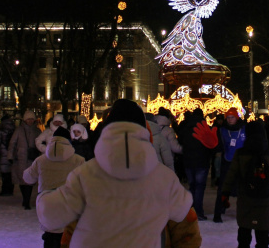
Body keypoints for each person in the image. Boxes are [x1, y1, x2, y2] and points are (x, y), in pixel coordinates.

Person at [39, 99, 192, 247]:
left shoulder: (85, 174)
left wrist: (43, 198)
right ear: (144, 131)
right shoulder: (163, 176)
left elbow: (51, 215)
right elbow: (183, 213)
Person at [221, 121, 269, 248]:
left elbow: (232, 174)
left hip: (246, 197)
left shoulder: (241, 153)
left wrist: (225, 192)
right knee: (263, 235)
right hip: (264, 199)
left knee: (244, 232)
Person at [24, 126, 85, 248]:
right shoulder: (78, 160)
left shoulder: (41, 160)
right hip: (69, 205)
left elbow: (27, 178)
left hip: (46, 205)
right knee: (66, 238)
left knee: (50, 237)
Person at [177, 108, 217, 220]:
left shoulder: (186, 128)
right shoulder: (205, 128)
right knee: (199, 187)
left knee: (192, 186)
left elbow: (180, 141)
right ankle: (198, 211)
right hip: (202, 161)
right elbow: (211, 145)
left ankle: (191, 210)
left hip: (188, 160)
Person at [213, 108, 246, 223]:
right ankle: (218, 212)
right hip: (227, 161)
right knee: (223, 187)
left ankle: (242, 212)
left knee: (241, 189)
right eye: (228, 117)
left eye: (232, 117)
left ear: (237, 118)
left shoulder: (244, 129)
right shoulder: (222, 130)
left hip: (241, 162)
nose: (230, 120)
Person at [8, 110, 42, 209]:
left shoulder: (37, 131)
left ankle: (26, 201)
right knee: (22, 180)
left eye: (32, 119)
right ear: (25, 120)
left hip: (32, 158)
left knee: (30, 180)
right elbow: (12, 144)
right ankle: (25, 198)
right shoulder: (19, 130)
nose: (30, 121)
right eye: (28, 119)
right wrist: (10, 155)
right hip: (20, 158)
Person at [0, 114, 16, 196]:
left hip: (3, 154)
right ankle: (10, 190)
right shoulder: (14, 129)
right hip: (12, 154)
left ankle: (4, 190)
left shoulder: (2, 131)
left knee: (4, 173)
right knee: (10, 173)